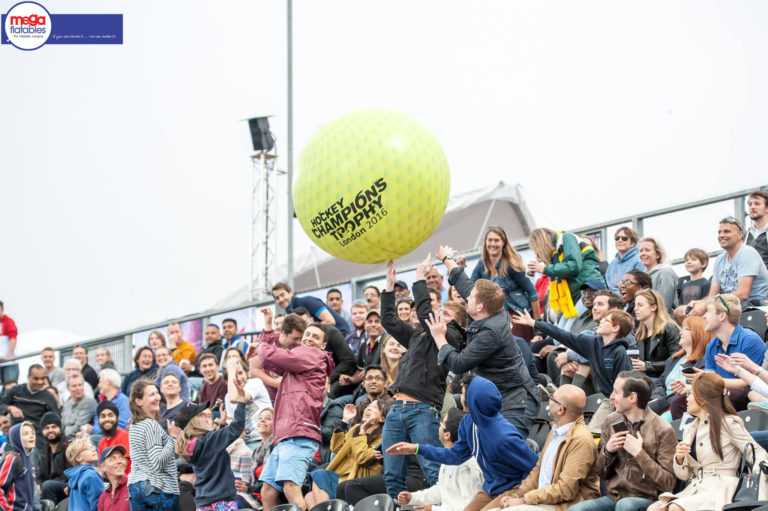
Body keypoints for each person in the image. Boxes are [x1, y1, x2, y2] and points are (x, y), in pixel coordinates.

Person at [379, 256, 464, 499]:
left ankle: (443, 506)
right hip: (397, 409)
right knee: (392, 474)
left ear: (458, 323)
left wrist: (419, 279)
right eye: (441, 311)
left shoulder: (454, 338)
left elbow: (426, 313)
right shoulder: (419, 335)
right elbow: (389, 321)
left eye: (446, 314)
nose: (440, 315)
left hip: (424, 411)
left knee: (433, 469)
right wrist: (389, 286)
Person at [387, 375, 538, 511]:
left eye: (465, 393)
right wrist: (417, 449)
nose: (461, 397)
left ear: (474, 400)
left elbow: (535, 468)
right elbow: (455, 455)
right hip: (491, 487)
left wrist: (518, 495)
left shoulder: (504, 437)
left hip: (512, 487)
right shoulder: (468, 421)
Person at [434, 247, 539, 436]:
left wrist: (439, 336)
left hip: (516, 402)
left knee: (508, 454)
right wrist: (447, 258)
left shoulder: (492, 331)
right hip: (498, 397)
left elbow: (458, 364)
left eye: (471, 297)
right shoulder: (490, 308)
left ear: (480, 306)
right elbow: (463, 281)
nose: (467, 298)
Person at [648, 372, 768, 511]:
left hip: (721, 488)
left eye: (690, 394)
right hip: (697, 486)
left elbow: (756, 452)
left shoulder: (728, 423)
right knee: (655, 507)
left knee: (675, 507)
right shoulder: (690, 428)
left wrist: (758, 474)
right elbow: (683, 475)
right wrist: (680, 459)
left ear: (702, 399)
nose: (686, 399)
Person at [514, 308, 634, 434]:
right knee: (594, 433)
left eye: (606, 320)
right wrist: (535, 323)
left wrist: (620, 403)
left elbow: (627, 383)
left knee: (619, 434)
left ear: (615, 328)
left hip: (622, 404)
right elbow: (564, 335)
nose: (601, 321)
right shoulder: (592, 343)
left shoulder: (620, 352)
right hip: (608, 401)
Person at [256, 320, 335, 511]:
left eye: (315, 336)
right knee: (267, 491)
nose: (309, 338)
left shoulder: (314, 354)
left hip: (300, 433)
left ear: (323, 345)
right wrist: (268, 332)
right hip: (285, 435)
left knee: (291, 488)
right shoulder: (300, 359)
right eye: (307, 334)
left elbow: (269, 356)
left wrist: (262, 345)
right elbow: (274, 363)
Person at [569, 371, 677, 511]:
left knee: (626, 506)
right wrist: (608, 451)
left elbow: (668, 483)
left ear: (632, 397)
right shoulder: (611, 420)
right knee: (576, 510)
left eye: (616, 392)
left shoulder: (662, 429)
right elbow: (601, 473)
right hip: (615, 497)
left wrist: (639, 453)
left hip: (649, 501)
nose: (612, 396)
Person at [493, 385, 599, 511]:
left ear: (561, 410)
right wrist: (516, 495)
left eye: (552, 398)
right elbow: (537, 472)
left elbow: (566, 490)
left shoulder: (581, 440)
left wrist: (524, 500)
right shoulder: (555, 430)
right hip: (543, 500)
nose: (548, 400)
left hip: (565, 505)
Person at [174, 358, 246, 511]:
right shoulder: (211, 439)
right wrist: (241, 400)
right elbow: (238, 426)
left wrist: (221, 425)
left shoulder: (189, 444)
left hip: (203, 502)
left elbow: (212, 447)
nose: (208, 416)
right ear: (193, 422)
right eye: (202, 415)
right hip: (223, 500)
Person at [305, 399, 390, 508]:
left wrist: (362, 432)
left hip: (359, 479)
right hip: (343, 476)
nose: (368, 408)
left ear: (382, 418)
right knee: (309, 496)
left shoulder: (383, 436)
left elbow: (362, 457)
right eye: (368, 405)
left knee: (320, 475)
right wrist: (344, 422)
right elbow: (337, 448)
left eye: (374, 407)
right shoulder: (355, 428)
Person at [396, 408, 483, 511]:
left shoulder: (468, 466)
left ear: (447, 435)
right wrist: (413, 498)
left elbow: (472, 507)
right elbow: (442, 490)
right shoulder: (448, 458)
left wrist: (434, 509)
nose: (438, 425)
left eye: (441, 422)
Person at [467, 226, 541, 340]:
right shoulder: (482, 264)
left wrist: (537, 327)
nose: (493, 244)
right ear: (485, 242)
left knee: (515, 346)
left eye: (496, 240)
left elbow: (532, 293)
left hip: (517, 314)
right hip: (496, 317)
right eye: (490, 240)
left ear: (503, 243)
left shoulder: (511, 264)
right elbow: (470, 288)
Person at [688, 217, 768, 315]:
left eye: (726, 232)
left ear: (740, 235)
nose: (721, 235)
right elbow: (712, 296)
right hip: (733, 309)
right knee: (690, 315)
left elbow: (743, 294)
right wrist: (701, 303)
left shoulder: (747, 253)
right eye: (719, 232)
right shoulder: (719, 260)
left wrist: (708, 305)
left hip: (755, 310)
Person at [702, 293, 765, 410]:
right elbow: (710, 378)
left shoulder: (749, 340)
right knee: (680, 401)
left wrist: (714, 382)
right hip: (723, 392)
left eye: (709, 312)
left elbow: (748, 384)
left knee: (729, 395)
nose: (704, 316)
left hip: (744, 396)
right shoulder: (712, 345)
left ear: (722, 316)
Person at [127, 379, 181, 510]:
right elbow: (158, 462)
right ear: (138, 401)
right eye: (151, 394)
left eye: (157, 393)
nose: (157, 397)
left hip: (135, 486)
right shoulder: (151, 425)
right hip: (157, 487)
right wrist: (173, 437)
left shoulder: (134, 425)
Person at [527, 228, 602, 318]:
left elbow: (573, 266)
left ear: (541, 243)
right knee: (564, 328)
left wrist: (544, 269)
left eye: (537, 249)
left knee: (568, 329)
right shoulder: (556, 252)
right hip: (578, 295)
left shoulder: (566, 237)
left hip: (588, 291)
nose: (537, 253)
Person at [649, 316, 710, 416]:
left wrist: (660, 403)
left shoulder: (703, 362)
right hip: (662, 402)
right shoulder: (673, 359)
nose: (680, 333)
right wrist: (657, 397)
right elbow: (660, 382)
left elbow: (690, 390)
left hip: (680, 407)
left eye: (686, 329)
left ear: (698, 333)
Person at [632, 289, 681, 378]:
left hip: (664, 379)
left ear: (653, 307)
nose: (635, 308)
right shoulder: (641, 332)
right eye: (635, 305)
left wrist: (648, 366)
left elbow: (677, 360)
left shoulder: (669, 328)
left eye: (640, 305)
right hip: (646, 380)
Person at [272, 282, 351, 334]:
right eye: (277, 298)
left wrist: (308, 328)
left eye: (282, 295)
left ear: (290, 292)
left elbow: (330, 321)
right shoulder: (288, 311)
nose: (281, 299)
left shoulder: (308, 301)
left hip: (341, 334)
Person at [224, 359, 271, 447]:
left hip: (263, 439)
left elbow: (237, 397)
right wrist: (237, 431)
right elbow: (230, 419)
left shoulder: (255, 383)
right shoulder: (228, 396)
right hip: (243, 443)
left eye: (240, 373)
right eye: (234, 375)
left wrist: (231, 369)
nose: (237, 378)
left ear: (248, 373)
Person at [0, 364, 59, 432]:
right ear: (28, 377)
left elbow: (55, 418)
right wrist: (9, 408)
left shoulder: (49, 397)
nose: (40, 382)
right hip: (16, 431)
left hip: (36, 434)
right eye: (36, 378)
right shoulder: (15, 390)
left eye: (42, 378)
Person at [0, 422, 37, 510]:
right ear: (17, 438)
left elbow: (30, 499)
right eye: (25, 434)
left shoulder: (29, 461)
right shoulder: (12, 458)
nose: (31, 436)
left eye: (32, 433)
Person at [38, 411, 72, 505]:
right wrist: (39, 485)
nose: (50, 430)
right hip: (49, 487)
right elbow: (41, 475)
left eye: (54, 427)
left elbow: (70, 473)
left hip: (68, 486)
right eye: (47, 428)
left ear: (60, 429)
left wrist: (46, 484)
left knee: (48, 485)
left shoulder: (68, 445)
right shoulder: (44, 449)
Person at [637, 237, 678, 313]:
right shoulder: (642, 276)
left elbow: (664, 304)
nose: (643, 253)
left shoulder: (665, 273)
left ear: (657, 254)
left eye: (647, 250)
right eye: (641, 251)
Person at [672, 249, 711, 325]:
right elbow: (681, 305)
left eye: (693, 260)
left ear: (703, 264)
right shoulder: (684, 285)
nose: (689, 262)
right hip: (685, 321)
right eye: (686, 260)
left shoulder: (707, 284)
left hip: (700, 322)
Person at [64, 438, 103, 511]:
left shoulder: (75, 476)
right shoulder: (91, 475)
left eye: (93, 447)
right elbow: (99, 505)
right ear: (78, 458)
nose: (94, 450)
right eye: (87, 448)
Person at [605, 227, 646, 293]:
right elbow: (610, 286)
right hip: (613, 300)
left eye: (624, 238)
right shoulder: (612, 264)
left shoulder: (639, 261)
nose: (620, 240)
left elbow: (639, 287)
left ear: (633, 243)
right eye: (617, 238)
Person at [94, 400, 131, 473]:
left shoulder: (125, 436)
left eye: (110, 415)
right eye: (103, 416)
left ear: (116, 418)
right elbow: (100, 469)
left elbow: (122, 466)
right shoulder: (102, 443)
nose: (107, 419)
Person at [91, 369, 131, 435]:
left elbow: (122, 426)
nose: (98, 385)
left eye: (100, 382)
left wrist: (93, 430)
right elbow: (96, 422)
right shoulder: (101, 403)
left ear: (108, 382)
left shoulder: (124, 401)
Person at [61, 373, 97, 441]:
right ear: (68, 388)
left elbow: (79, 427)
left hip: (79, 440)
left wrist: (62, 438)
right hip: (65, 440)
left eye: (80, 385)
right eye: (74, 386)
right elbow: (62, 424)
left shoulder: (89, 402)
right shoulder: (67, 403)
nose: (78, 388)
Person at [97, 445, 129, 511]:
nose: (119, 462)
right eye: (112, 459)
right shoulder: (103, 497)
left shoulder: (133, 486)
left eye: (121, 458)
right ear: (103, 467)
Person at [746, 189, 768, 268]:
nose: (752, 207)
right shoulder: (745, 236)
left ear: (767, 208)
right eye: (750, 204)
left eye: (757, 204)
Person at [0, 301, 19, 389]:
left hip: (9, 363)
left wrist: (8, 355)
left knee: (10, 388)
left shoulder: (8, 321)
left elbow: (13, 338)